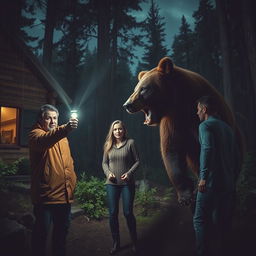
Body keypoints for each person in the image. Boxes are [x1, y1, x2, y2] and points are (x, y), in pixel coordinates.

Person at [193, 96, 240, 256]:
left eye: (198, 109)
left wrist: (203, 177)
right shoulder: (228, 128)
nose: (197, 112)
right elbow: (236, 157)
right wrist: (233, 179)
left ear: (204, 110)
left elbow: (207, 148)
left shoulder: (205, 126)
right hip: (228, 183)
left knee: (199, 220)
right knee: (222, 222)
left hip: (210, 183)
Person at [29, 104, 78, 256]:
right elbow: (46, 140)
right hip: (46, 198)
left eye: (55, 118)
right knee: (40, 237)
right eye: (48, 118)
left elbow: (68, 162)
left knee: (61, 237)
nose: (52, 121)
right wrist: (65, 129)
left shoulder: (62, 138)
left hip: (64, 197)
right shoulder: (35, 135)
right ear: (40, 119)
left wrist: (72, 182)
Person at [102, 120, 140, 255]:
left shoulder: (131, 143)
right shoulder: (108, 145)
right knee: (112, 214)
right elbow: (104, 163)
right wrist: (108, 173)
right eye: (115, 129)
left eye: (120, 129)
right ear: (112, 131)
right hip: (111, 184)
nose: (117, 132)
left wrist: (129, 173)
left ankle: (135, 241)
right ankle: (116, 242)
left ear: (124, 130)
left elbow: (137, 161)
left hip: (126, 184)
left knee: (128, 213)